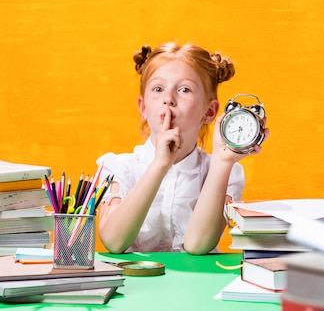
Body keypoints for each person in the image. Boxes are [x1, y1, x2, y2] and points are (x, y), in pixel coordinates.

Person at [96, 42, 268, 255]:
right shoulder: (118, 167)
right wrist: (160, 164)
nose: (168, 99)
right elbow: (113, 241)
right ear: (142, 107)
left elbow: (198, 245)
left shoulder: (224, 171)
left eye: (184, 90)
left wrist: (222, 162)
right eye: (158, 89)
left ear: (210, 111)